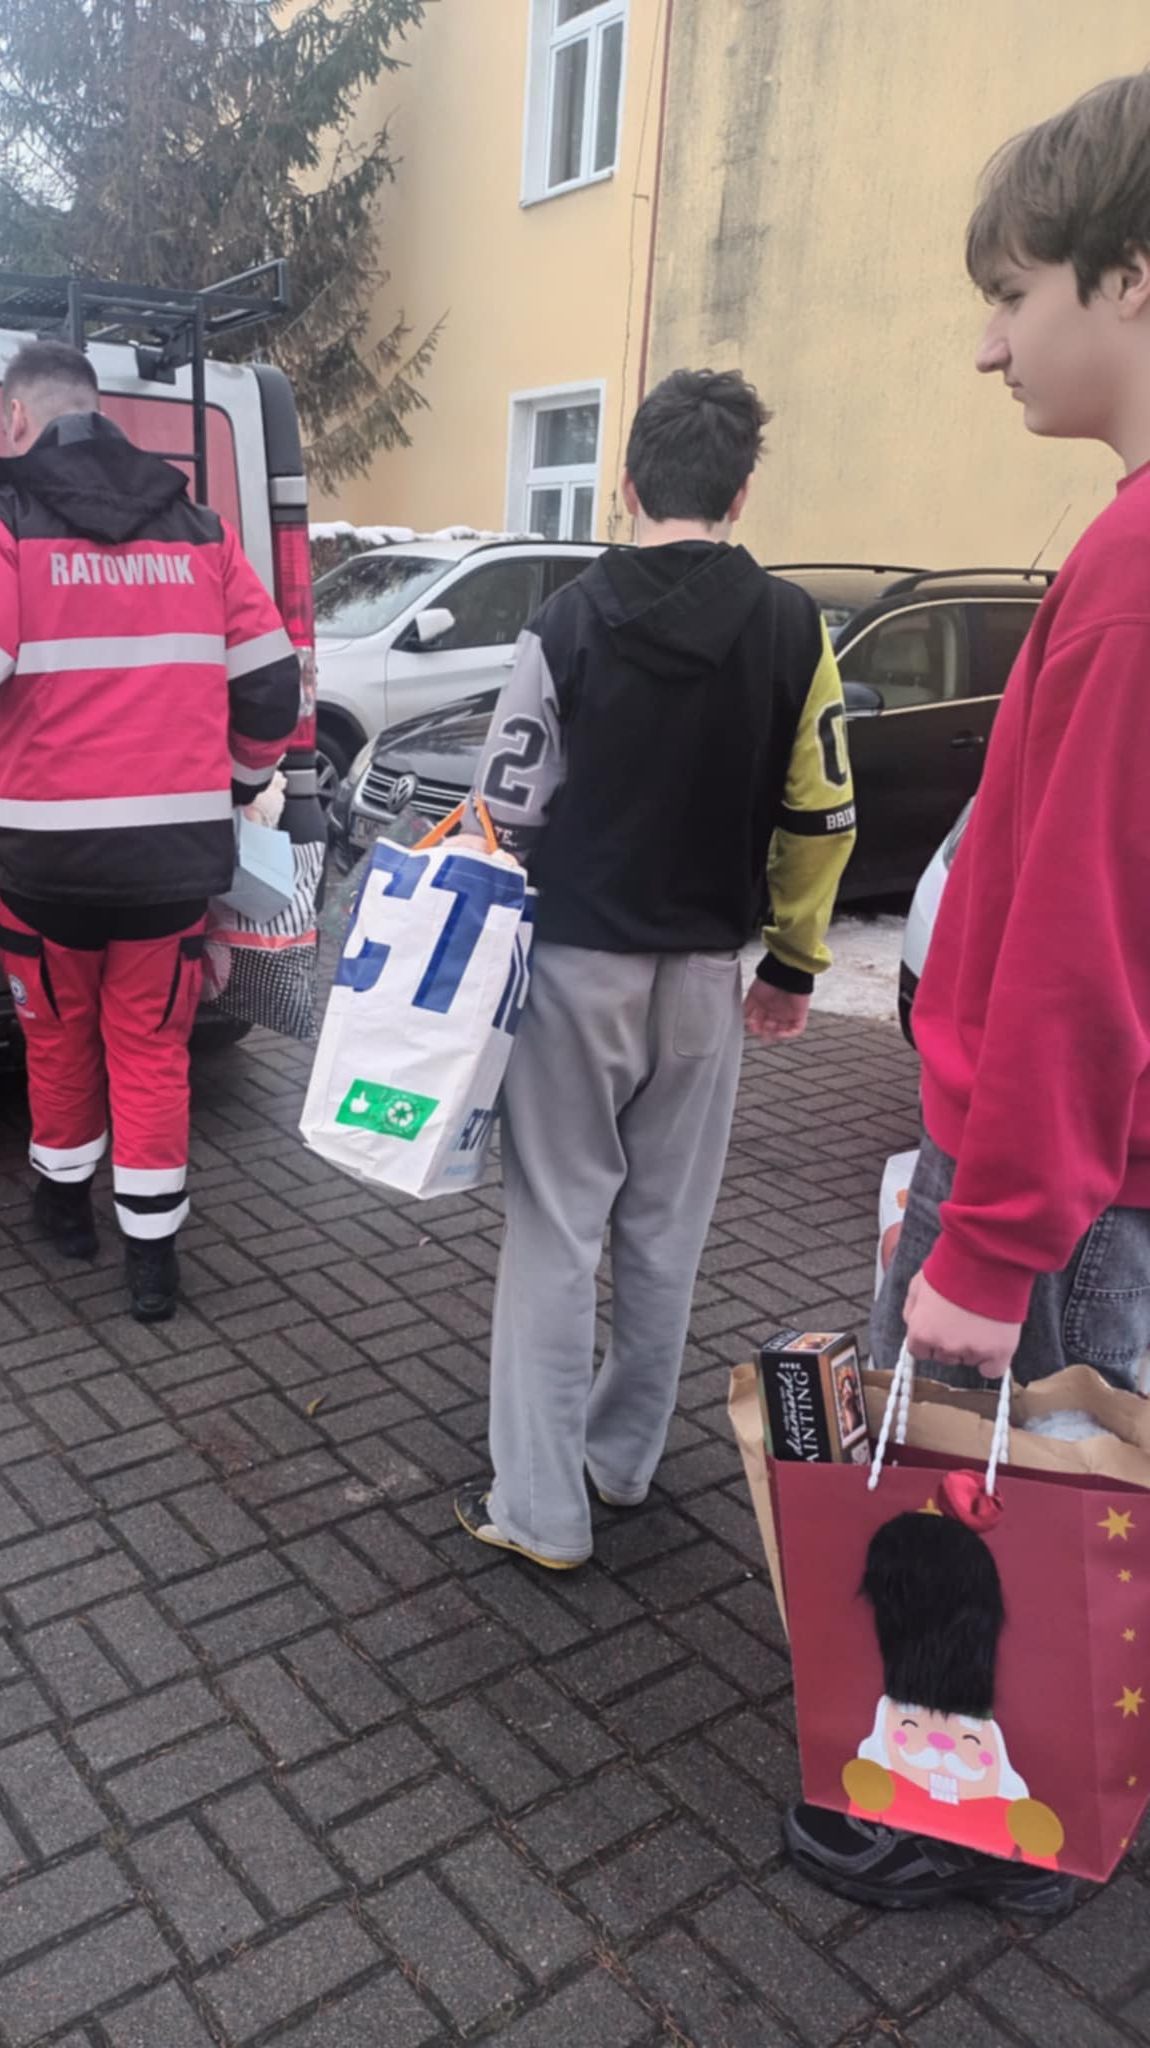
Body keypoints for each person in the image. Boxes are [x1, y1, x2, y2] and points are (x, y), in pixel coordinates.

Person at [785, 70, 1150, 1919]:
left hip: (1050, 1192)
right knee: (1088, 1488)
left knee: (973, 1502)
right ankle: (1064, 1789)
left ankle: (964, 1820)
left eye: (1012, 295)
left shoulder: (1133, 569)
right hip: (1099, 1180)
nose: (988, 347)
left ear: (1131, 275)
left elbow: (1087, 945)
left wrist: (990, 1246)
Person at [452, 367, 856, 1571]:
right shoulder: (794, 626)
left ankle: (539, 1508)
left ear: (625, 483)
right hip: (706, 979)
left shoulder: (567, 619)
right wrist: (794, 960)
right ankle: (621, 1461)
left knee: (555, 1231)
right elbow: (823, 812)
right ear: (740, 493)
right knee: (665, 1233)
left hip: (575, 968)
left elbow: (508, 806)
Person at [0, 340, 300, 1323]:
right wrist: (239, 783)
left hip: (46, 863)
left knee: (58, 1035)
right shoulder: (201, 528)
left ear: (17, 420)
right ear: (99, 409)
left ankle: (66, 1211)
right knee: (153, 1051)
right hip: (170, 865)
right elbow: (271, 688)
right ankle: (153, 1263)